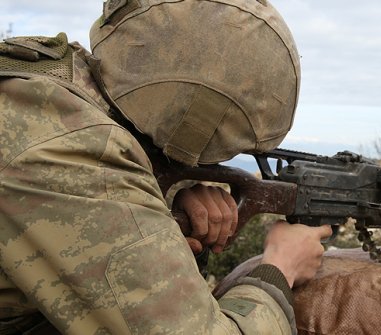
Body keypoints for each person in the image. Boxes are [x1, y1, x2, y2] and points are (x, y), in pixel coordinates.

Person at [0, 0, 331, 333]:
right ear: (197, 124)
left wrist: (161, 211)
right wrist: (281, 266)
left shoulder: (50, 87)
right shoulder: (75, 148)